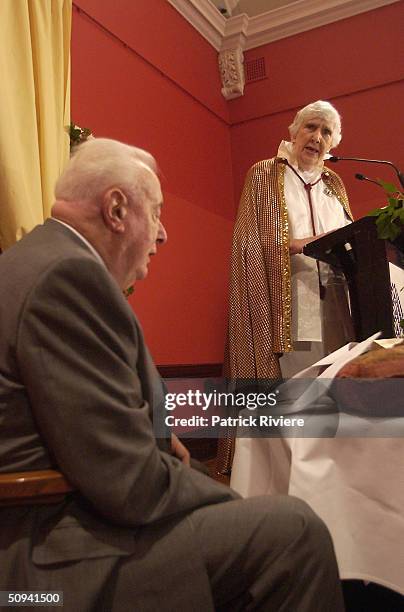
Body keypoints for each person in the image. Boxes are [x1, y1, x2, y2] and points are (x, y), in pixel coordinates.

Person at [0, 138, 344, 611]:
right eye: (156, 213)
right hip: (49, 555)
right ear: (116, 209)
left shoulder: (36, 260)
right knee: (295, 532)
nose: (163, 235)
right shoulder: (67, 277)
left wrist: (158, 442)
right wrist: (225, 495)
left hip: (60, 514)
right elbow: (129, 482)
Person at [226, 100, 354, 382]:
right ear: (295, 132)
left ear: (332, 144)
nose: (317, 137)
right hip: (293, 298)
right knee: (300, 392)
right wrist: (302, 243)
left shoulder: (334, 184)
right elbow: (247, 244)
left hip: (337, 301)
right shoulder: (264, 173)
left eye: (326, 132)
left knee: (336, 392)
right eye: (310, 127)